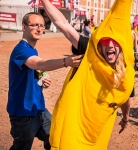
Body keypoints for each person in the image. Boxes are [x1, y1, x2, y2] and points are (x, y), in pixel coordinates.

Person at [41, 0, 135, 149]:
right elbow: (63, 24)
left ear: (122, 45)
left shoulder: (127, 71)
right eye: (105, 41)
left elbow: (126, 98)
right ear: (99, 43)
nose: (110, 45)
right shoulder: (89, 51)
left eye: (115, 42)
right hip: (74, 128)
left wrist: (125, 118)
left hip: (97, 133)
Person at [7, 12, 82, 150]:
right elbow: (39, 64)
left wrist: (41, 77)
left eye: (42, 25)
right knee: (22, 147)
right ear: (24, 27)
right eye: (34, 25)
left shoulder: (31, 49)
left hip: (38, 108)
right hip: (23, 112)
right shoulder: (21, 50)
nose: (39, 28)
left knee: (55, 136)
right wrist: (66, 61)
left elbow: (35, 68)